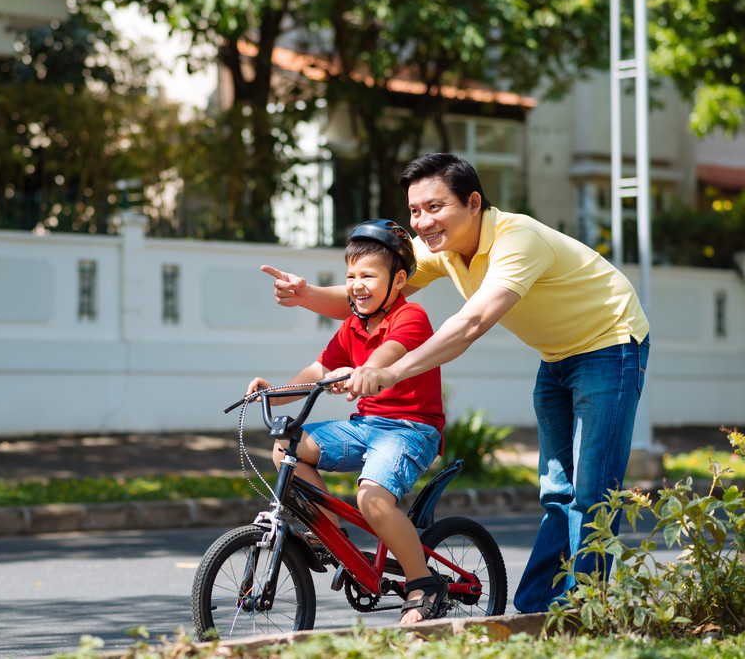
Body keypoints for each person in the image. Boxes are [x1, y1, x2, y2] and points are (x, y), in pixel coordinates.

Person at [262, 153, 650, 613]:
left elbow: (470, 324)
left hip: (611, 344)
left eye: (435, 207)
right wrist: (306, 295)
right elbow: (375, 295)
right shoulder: (441, 249)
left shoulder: (516, 239)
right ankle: (537, 608)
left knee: (592, 490)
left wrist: (390, 371)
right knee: (557, 490)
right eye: (415, 210)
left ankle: (585, 610)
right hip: (558, 355)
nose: (423, 221)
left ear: (473, 203)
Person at [248, 219, 448, 624]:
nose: (357, 285)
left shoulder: (411, 317)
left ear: (399, 281)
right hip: (366, 424)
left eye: (369, 275)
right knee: (286, 447)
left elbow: (387, 355)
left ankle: (423, 585)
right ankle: (330, 535)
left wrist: (364, 372)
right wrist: (274, 393)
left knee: (373, 499)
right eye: (351, 276)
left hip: (410, 429)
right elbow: (320, 368)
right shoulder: (353, 324)